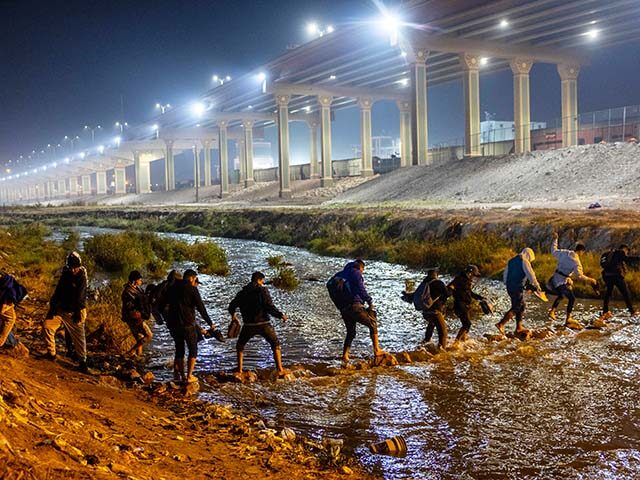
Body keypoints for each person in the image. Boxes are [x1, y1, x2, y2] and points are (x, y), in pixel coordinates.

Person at [157, 269, 223, 383]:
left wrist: (167, 318)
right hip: (188, 324)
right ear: (192, 278)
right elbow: (201, 308)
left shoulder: (171, 289)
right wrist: (210, 323)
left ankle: (182, 376)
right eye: (195, 279)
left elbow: (161, 305)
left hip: (174, 324)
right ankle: (189, 376)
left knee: (179, 349)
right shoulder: (192, 289)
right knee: (193, 349)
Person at [228, 271, 288, 376]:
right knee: (275, 344)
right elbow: (269, 306)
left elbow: (231, 306)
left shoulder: (242, 292)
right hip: (264, 323)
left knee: (240, 346)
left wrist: (234, 318)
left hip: (248, 325)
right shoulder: (262, 290)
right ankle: (280, 369)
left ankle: (240, 369)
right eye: (262, 281)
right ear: (259, 280)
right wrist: (280, 315)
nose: (263, 283)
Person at [43, 252, 89, 372]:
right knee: (47, 327)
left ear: (79, 266)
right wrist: (52, 306)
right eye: (71, 267)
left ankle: (83, 363)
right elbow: (58, 291)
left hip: (75, 312)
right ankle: (51, 354)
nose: (73, 269)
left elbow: (81, 297)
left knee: (79, 338)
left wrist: (78, 311)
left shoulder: (82, 277)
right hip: (60, 310)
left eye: (75, 267)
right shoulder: (66, 274)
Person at [332, 259, 384, 365]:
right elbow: (361, 289)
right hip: (354, 306)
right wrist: (369, 300)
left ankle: (345, 356)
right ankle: (377, 350)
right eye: (363, 270)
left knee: (351, 332)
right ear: (361, 267)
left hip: (343, 308)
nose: (362, 272)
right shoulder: (356, 272)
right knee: (372, 323)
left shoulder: (341, 274)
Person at [547, 232, 598, 330]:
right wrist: (590, 279)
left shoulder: (565, 252)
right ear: (581, 251)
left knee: (563, 295)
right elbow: (579, 276)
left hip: (555, 278)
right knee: (572, 298)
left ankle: (553, 312)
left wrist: (555, 239)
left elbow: (553, 251)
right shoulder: (576, 261)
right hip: (560, 281)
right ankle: (567, 318)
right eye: (583, 252)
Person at [496, 247, 544, 336]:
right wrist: (537, 286)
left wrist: (507, 283)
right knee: (517, 306)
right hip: (517, 287)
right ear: (529, 255)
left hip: (510, 286)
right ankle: (501, 324)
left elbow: (505, 274)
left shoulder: (511, 260)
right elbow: (531, 274)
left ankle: (518, 327)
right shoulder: (524, 261)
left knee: (521, 306)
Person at [598, 244, 640, 326]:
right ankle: (632, 312)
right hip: (616, 276)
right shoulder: (621, 252)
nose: (626, 253)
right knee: (626, 293)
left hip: (607, 276)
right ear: (624, 249)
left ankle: (605, 312)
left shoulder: (607, 253)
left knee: (608, 293)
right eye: (627, 251)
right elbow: (628, 260)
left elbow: (602, 264)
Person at [447, 264, 485, 345]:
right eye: (474, 275)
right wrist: (451, 289)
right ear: (470, 273)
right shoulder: (459, 279)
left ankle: (463, 340)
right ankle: (456, 342)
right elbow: (449, 287)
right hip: (459, 305)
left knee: (466, 324)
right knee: (467, 324)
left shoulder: (466, 281)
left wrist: (480, 298)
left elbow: (470, 293)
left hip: (464, 305)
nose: (474, 277)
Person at [121, 270, 153, 358]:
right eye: (139, 279)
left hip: (136, 317)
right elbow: (129, 307)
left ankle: (138, 359)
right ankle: (131, 352)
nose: (141, 281)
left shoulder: (136, 289)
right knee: (149, 335)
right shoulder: (128, 291)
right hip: (133, 318)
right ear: (135, 280)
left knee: (140, 339)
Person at [420, 268, 450, 351]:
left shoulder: (424, 283)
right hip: (435, 311)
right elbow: (447, 294)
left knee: (432, 324)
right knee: (443, 332)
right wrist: (451, 288)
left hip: (425, 311)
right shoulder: (438, 283)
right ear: (436, 274)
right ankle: (441, 351)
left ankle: (425, 343)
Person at [0, 272, 27, 349]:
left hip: (8, 301)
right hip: (7, 302)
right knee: (10, 319)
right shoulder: (9, 285)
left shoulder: (9, 284)